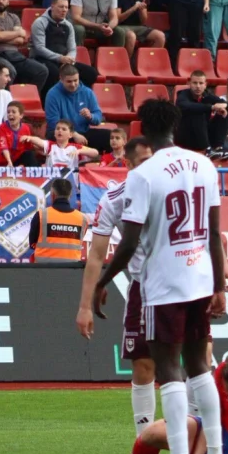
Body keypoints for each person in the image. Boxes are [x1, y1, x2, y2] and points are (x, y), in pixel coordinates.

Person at [92, 98, 228, 454]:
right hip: (200, 279)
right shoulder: (204, 164)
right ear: (176, 124)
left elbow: (131, 241)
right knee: (200, 367)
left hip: (164, 284)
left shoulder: (144, 174)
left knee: (169, 370)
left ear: (144, 130)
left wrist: (103, 280)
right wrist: (218, 285)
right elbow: (214, 233)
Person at [76, 135, 154, 431]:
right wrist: (85, 306)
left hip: (183, 283)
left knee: (196, 362)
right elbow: (96, 254)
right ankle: (145, 447)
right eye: (145, 161)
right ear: (129, 164)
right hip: (143, 288)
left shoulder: (173, 187)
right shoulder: (114, 199)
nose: (152, 166)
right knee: (144, 364)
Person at [0, 0, 47, 89]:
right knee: (9, 71)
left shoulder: (14, 17)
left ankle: (27, 98)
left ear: (8, 1)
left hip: (15, 55)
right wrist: (15, 33)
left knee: (42, 70)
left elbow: (20, 40)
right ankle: (7, 102)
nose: (0, 1)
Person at [30, 0, 98, 91]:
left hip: (64, 61)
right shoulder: (40, 23)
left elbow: (72, 48)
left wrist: (69, 60)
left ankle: (77, 97)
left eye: (66, 7)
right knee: (54, 72)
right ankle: (48, 101)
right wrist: (60, 58)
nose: (64, 10)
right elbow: (39, 48)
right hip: (42, 59)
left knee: (91, 73)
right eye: (61, 7)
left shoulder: (68, 25)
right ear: (52, 7)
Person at [45, 63, 109, 151]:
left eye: (76, 80)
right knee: (58, 136)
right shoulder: (52, 94)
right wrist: (73, 134)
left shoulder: (87, 92)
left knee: (109, 136)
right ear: (61, 79)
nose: (73, 84)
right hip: (60, 133)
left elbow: (98, 117)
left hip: (83, 133)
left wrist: (91, 116)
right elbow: (53, 123)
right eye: (69, 81)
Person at [175, 70, 228, 160]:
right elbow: (186, 105)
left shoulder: (207, 96)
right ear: (189, 83)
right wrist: (212, 107)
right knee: (197, 110)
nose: (198, 86)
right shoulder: (183, 95)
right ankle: (207, 150)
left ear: (205, 84)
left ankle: (218, 148)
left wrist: (224, 106)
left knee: (224, 111)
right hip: (185, 137)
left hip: (203, 135)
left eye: (201, 83)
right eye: (195, 83)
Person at [27, 177, 87, 262]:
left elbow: (32, 244)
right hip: (72, 271)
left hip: (42, 270)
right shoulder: (83, 219)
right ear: (70, 195)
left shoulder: (41, 215)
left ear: (52, 194)